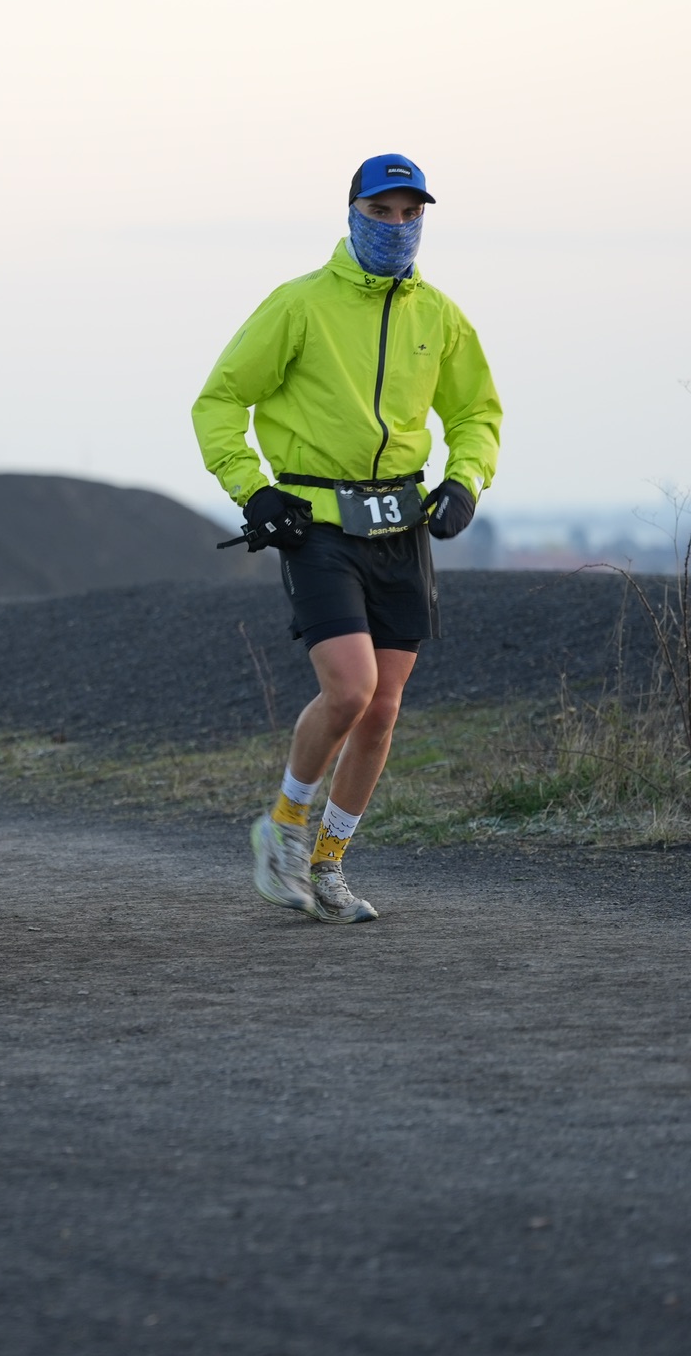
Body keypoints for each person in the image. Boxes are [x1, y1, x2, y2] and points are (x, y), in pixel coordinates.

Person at [193, 155, 502, 923]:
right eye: (381, 211)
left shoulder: (441, 316)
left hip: (401, 524)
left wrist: (465, 480)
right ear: (352, 212)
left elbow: (476, 414)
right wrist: (254, 491)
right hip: (317, 524)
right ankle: (283, 828)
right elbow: (220, 400)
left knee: (382, 710)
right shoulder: (299, 304)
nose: (397, 226)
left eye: (410, 213)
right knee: (351, 689)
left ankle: (329, 864)